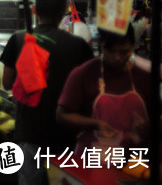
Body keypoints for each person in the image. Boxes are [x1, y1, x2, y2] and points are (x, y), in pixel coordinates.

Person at [0, 0, 93, 184]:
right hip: (65, 131)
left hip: (29, 128)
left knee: (29, 180)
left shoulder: (19, 39)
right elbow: (90, 89)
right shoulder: (78, 45)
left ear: (34, 10)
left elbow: (7, 83)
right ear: (64, 12)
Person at [57, 23, 156, 155]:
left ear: (133, 46)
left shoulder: (144, 74)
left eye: (124, 51)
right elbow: (62, 115)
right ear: (101, 44)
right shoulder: (84, 73)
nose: (117, 57)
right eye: (110, 50)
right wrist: (96, 124)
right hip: (95, 158)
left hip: (137, 160)